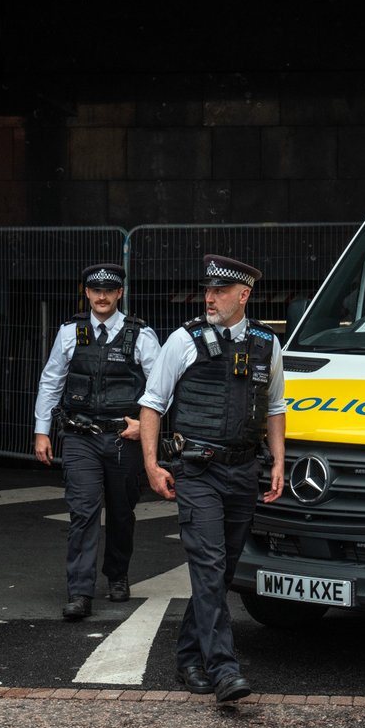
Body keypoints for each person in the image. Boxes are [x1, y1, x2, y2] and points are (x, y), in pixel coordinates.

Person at [139, 254, 286, 703]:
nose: (209, 297)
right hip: (198, 471)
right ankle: (223, 668)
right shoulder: (183, 340)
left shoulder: (266, 343)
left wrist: (278, 461)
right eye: (207, 290)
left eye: (220, 291)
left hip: (244, 470)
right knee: (207, 565)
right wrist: (151, 464)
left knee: (219, 573)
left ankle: (188, 657)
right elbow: (152, 403)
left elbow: (276, 408)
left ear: (244, 295)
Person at [33, 262, 161, 620]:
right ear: (86, 293)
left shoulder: (141, 335)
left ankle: (117, 575)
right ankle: (80, 591)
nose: (102, 296)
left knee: (122, 513)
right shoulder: (69, 332)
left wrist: (144, 426)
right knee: (83, 512)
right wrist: (42, 430)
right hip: (80, 436)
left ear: (119, 293)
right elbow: (51, 381)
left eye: (109, 290)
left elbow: (161, 387)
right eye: (95, 290)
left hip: (124, 438)